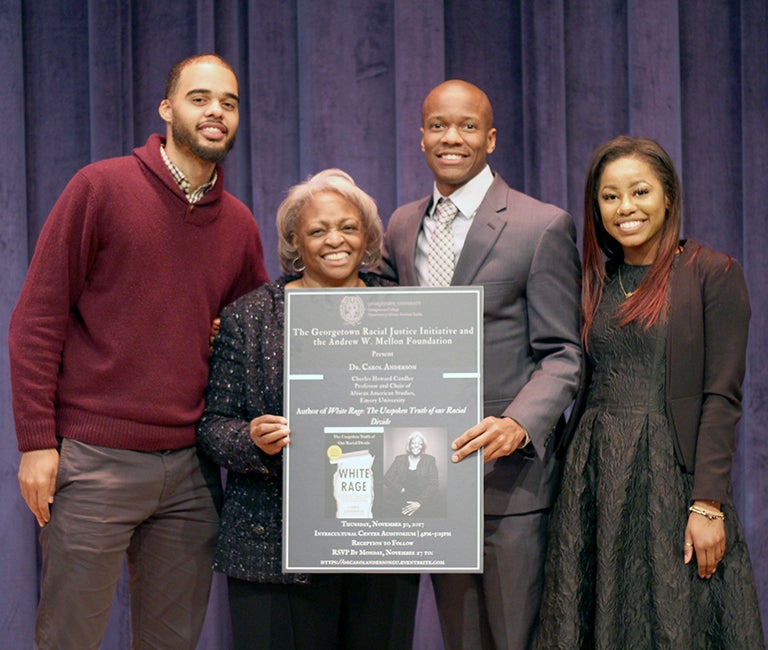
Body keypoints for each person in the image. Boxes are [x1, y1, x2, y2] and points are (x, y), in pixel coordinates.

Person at [8, 53, 268, 649]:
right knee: (68, 638)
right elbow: (36, 320)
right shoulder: (100, 188)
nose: (215, 112)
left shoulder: (238, 225)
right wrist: (36, 442)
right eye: (200, 98)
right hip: (94, 462)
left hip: (190, 474)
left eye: (228, 103)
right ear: (167, 108)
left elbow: (250, 339)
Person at [538, 135, 764, 648]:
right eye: (610, 196)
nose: (625, 208)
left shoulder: (713, 272)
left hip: (670, 479)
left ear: (668, 197)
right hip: (593, 480)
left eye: (639, 192)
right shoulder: (596, 279)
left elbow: (721, 398)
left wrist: (708, 504)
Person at [379, 79, 582, 650]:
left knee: (517, 639)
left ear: (490, 138)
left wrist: (519, 423)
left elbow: (564, 353)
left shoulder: (540, 225)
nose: (452, 137)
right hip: (434, 482)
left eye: (468, 127)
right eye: (438, 125)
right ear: (421, 137)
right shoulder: (399, 226)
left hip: (509, 485)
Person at [197, 168, 420, 650]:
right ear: (295, 242)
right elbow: (214, 427)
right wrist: (251, 440)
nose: (334, 240)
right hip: (273, 548)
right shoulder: (250, 318)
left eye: (348, 227)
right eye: (318, 230)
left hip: (380, 546)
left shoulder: (408, 314)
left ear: (368, 238)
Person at [383, 431, 441, 517]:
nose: (416, 446)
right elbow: (387, 478)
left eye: (420, 444)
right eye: (413, 443)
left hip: (423, 504)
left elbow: (434, 484)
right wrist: (400, 489)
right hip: (401, 503)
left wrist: (419, 502)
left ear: (423, 447)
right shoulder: (399, 459)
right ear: (409, 445)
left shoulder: (430, 460)